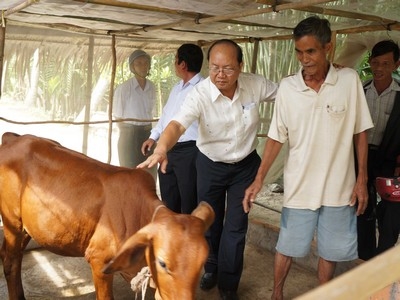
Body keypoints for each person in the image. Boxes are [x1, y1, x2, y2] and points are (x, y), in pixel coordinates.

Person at [242, 16, 373, 300]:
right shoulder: (288, 87)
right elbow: (277, 136)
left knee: (331, 249)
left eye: (311, 51)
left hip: (340, 187)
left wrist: (361, 179)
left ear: (328, 46)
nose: (304, 59)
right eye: (299, 52)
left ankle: (322, 294)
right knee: (287, 246)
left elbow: (360, 131)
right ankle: (277, 293)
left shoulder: (348, 81)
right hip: (299, 186)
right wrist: (259, 179)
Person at [138, 39, 278, 300]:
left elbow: (288, 91)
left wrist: (317, 73)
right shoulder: (200, 93)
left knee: (236, 228)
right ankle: (211, 267)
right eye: (214, 68)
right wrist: (161, 149)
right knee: (210, 224)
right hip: (210, 166)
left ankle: (228, 286)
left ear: (240, 66)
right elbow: (177, 125)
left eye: (227, 69)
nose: (220, 75)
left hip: (245, 167)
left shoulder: (254, 84)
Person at [141, 43, 204, 214]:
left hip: (190, 151)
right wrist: (153, 137)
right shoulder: (177, 88)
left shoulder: (203, 88)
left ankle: (187, 238)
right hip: (167, 149)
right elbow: (166, 117)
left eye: (175, 60)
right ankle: (171, 236)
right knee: (169, 198)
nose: (174, 64)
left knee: (189, 199)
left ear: (182, 64)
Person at [357, 40, 400, 259]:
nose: (379, 68)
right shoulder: (360, 90)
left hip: (391, 160)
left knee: (392, 209)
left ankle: (383, 256)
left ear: (396, 64)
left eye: (386, 63)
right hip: (361, 159)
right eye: (375, 62)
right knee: (362, 205)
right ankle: (364, 257)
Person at [113, 49, 157, 178]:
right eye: (139, 63)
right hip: (129, 135)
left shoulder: (151, 87)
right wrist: (129, 134)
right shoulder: (124, 88)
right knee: (130, 172)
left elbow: (152, 112)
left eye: (145, 63)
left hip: (148, 134)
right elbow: (118, 117)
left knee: (149, 172)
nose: (143, 66)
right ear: (132, 67)